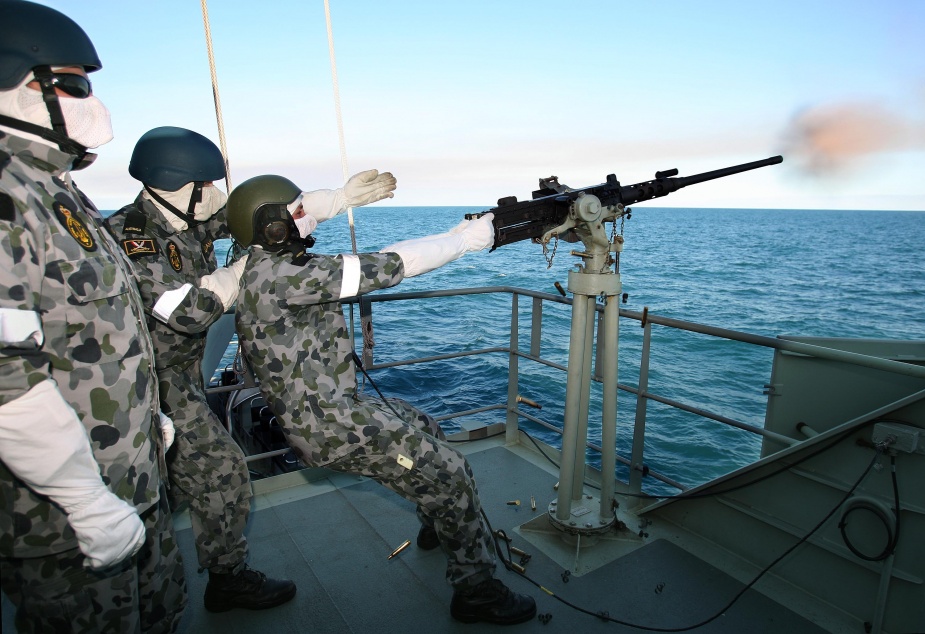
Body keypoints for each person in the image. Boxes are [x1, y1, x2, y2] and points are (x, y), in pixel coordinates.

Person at [227, 174, 537, 625]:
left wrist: (453, 235)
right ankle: (477, 591)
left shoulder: (260, 267)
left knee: (426, 427)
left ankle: (440, 524)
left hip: (335, 407)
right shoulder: (286, 276)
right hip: (330, 425)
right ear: (272, 227)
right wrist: (468, 240)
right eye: (296, 211)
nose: (306, 214)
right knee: (451, 474)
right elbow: (392, 265)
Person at [0, 2, 186, 632]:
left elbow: (95, 330)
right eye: (73, 85)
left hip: (130, 477)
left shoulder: (57, 191)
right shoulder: (7, 197)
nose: (92, 101)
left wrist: (143, 415)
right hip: (65, 519)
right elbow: (5, 379)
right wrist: (83, 500)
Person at [104, 126, 299, 613]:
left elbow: (251, 218)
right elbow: (188, 312)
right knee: (214, 475)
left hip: (182, 379)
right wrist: (237, 275)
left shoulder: (186, 219)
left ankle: (222, 577)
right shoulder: (134, 236)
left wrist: (331, 199)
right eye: (206, 185)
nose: (215, 194)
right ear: (178, 185)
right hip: (148, 387)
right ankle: (208, 584)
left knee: (200, 482)